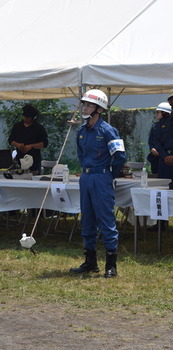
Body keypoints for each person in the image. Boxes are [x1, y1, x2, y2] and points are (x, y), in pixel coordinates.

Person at [70, 89, 126, 278]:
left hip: (102, 178)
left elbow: (119, 157)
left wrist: (109, 175)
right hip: (85, 178)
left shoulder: (108, 131)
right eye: (84, 104)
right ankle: (90, 262)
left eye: (88, 105)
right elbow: (81, 155)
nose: (84, 107)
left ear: (99, 109)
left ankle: (111, 265)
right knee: (87, 219)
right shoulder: (82, 131)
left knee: (106, 220)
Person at [8, 104, 48, 175]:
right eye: (25, 117)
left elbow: (44, 143)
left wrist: (31, 146)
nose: (26, 119)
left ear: (32, 118)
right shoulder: (17, 126)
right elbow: (10, 140)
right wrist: (18, 145)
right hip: (20, 159)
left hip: (34, 160)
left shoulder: (38, 128)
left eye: (28, 117)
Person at [148, 102, 171, 175]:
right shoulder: (155, 126)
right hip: (158, 158)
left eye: (158, 112)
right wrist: (152, 148)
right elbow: (152, 140)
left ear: (165, 113)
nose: (156, 114)